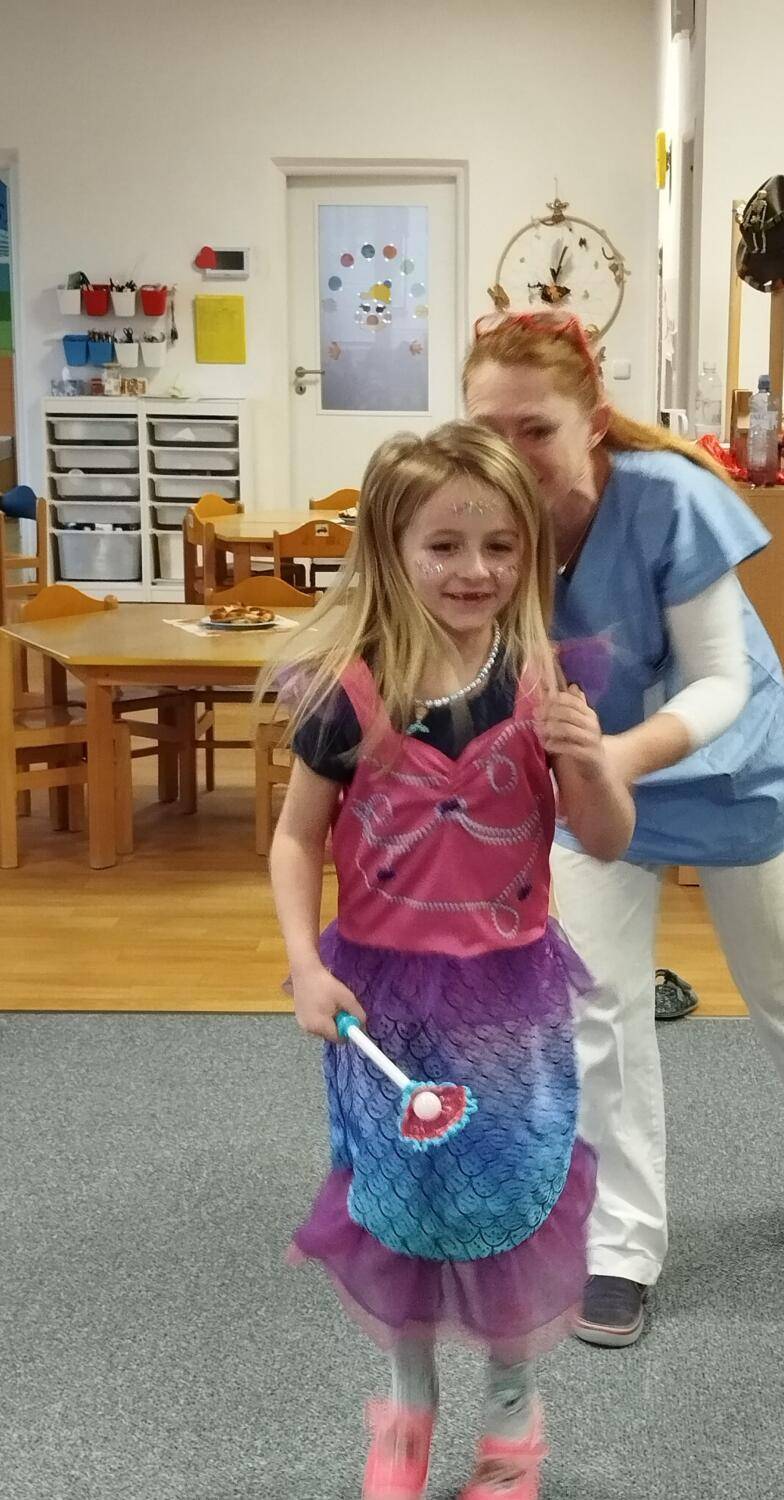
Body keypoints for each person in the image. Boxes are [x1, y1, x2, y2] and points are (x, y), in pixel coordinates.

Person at [464, 311, 784, 1349]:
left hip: (728, 771)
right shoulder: (478, 520)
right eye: (487, 430)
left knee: (781, 973)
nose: (510, 454)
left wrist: (616, 758)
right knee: (595, 1005)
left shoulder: (668, 498)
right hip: (592, 783)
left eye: (535, 428)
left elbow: (719, 679)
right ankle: (620, 1245)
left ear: (592, 421)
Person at [265, 423, 634, 1499]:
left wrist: (589, 763)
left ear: (530, 555)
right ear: (391, 550)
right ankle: (406, 1401)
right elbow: (294, 839)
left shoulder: (542, 684)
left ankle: (513, 1415)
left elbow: (606, 837)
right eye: (444, 545)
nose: (475, 570)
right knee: (398, 1203)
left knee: (509, 1194)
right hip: (380, 1004)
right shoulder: (347, 694)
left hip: (508, 1001)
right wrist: (303, 965)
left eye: (500, 546)